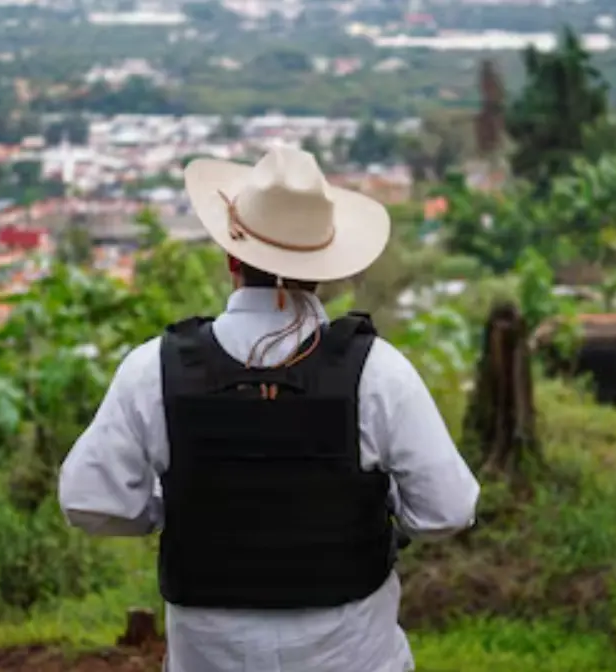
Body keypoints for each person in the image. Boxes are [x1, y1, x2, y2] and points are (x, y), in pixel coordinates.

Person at [58, 145, 481, 672]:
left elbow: (89, 500)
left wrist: (180, 503)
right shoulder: (379, 372)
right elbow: (449, 508)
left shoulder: (154, 370)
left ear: (232, 256)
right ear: (324, 268)